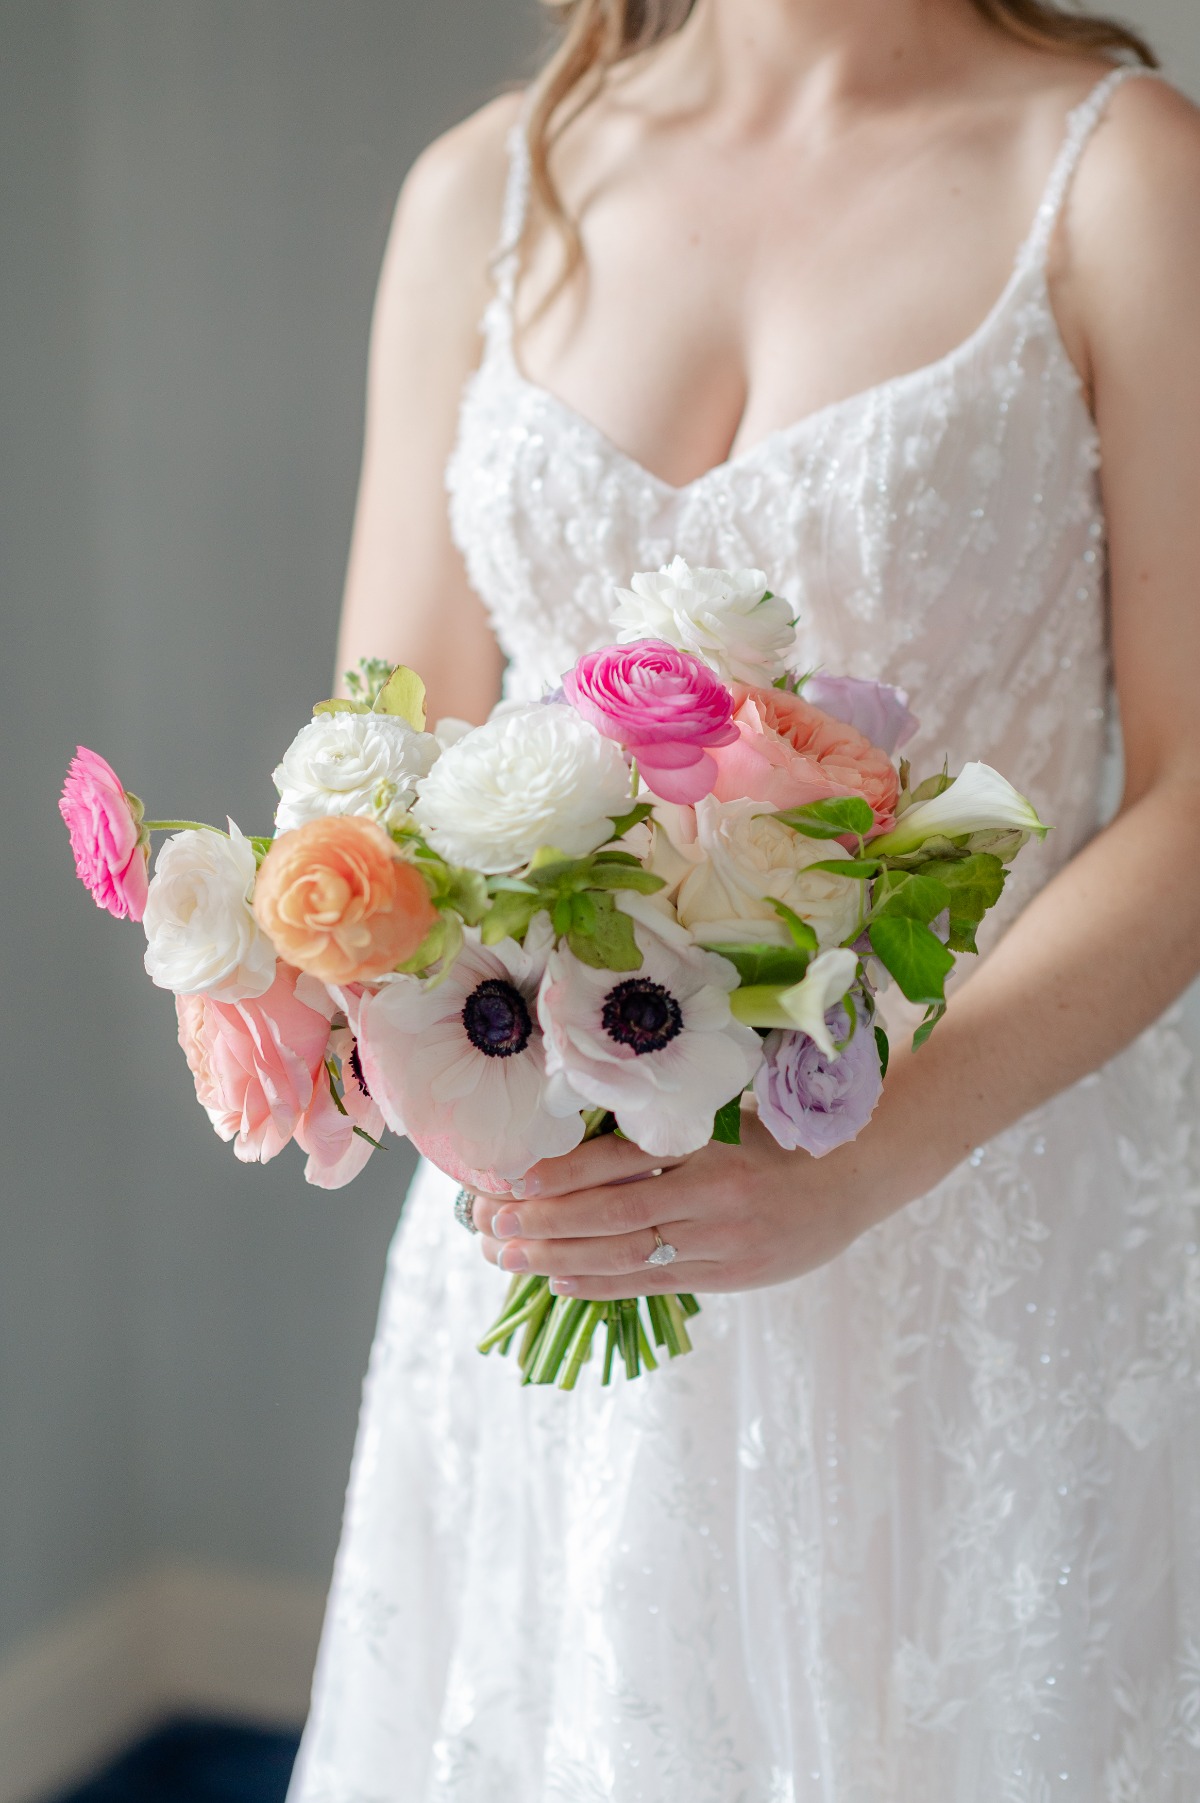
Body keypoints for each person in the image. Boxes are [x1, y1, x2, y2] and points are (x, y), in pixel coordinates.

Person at [288, 2, 1200, 1797]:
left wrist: (862, 1154)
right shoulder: (488, 189)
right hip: (563, 1234)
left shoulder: (1121, 180)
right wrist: (332, 993)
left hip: (989, 1232)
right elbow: (379, 759)